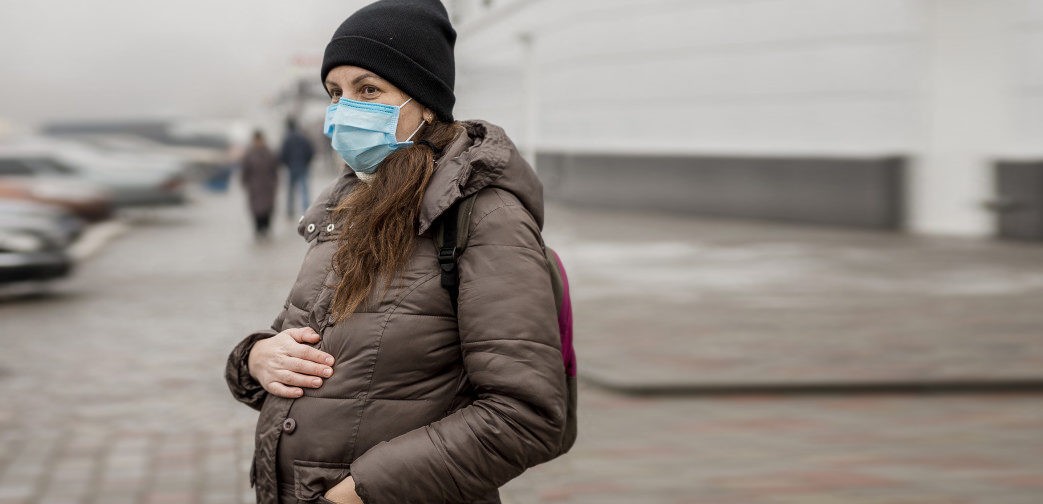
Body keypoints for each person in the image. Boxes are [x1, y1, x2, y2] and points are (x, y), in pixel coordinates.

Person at [224, 1, 569, 503]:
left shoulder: (484, 215)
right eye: (335, 93)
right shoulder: (352, 203)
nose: (345, 108)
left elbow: (527, 415)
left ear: (426, 102)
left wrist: (359, 493)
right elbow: (310, 345)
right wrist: (255, 358)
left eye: (368, 89)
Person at [240, 130, 279, 240]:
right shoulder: (249, 154)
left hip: (267, 185)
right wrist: (245, 182)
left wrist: (275, 182)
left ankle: (266, 228)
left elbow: (274, 169)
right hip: (254, 186)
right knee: (255, 209)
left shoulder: (269, 153)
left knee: (268, 208)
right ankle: (258, 229)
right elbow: (245, 170)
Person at [280, 117, 316, 219]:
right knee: (304, 190)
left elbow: (282, 154)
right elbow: (310, 151)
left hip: (292, 167)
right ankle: (306, 210)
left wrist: (287, 164)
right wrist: (306, 162)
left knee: (290, 191)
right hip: (303, 167)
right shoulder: (303, 137)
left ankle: (290, 211)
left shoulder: (286, 138)